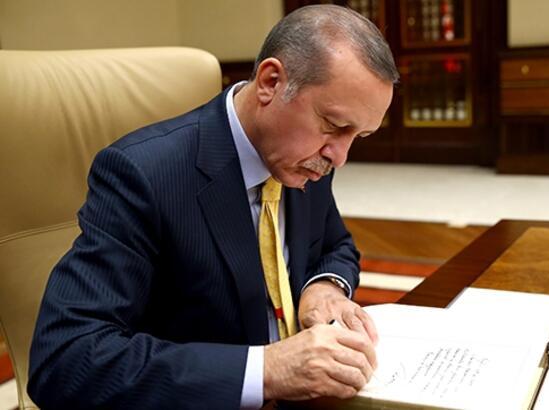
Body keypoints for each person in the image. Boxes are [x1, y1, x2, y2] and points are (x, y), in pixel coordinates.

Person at [27, 4, 398, 409]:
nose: (340, 157)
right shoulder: (143, 175)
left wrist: (323, 287)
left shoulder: (306, 158)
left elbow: (334, 245)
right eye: (334, 125)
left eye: (358, 136)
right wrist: (269, 369)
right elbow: (65, 361)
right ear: (271, 82)